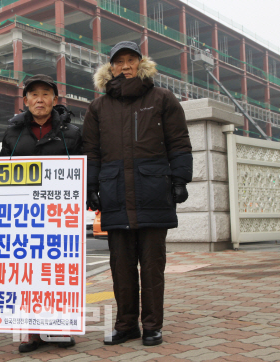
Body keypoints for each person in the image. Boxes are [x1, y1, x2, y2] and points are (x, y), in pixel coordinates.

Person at [83, 41, 192, 346]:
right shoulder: (98, 107)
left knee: (153, 265)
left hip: (153, 192)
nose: (126, 66)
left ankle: (153, 325)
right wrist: (91, 186)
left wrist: (180, 179)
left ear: (141, 64)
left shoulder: (162, 99)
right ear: (111, 68)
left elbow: (179, 142)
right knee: (121, 267)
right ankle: (126, 324)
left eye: (131, 60)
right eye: (120, 61)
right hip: (115, 195)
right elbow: (91, 151)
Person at [0, 74, 83, 352]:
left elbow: (84, 169)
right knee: (27, 271)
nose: (39, 99)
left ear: (55, 100)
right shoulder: (13, 132)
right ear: (25, 101)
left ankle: (59, 328)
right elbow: (1, 172)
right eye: (33, 94)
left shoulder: (72, 132)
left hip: (59, 215)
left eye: (46, 94)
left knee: (56, 271)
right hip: (24, 217)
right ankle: (31, 331)